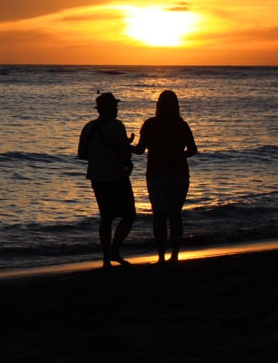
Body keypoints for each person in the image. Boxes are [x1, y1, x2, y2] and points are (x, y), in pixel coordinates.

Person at [132, 90, 198, 265]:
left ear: (158, 105)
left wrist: (124, 145)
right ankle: (175, 255)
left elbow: (139, 150)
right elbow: (193, 149)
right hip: (179, 174)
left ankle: (161, 256)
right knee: (175, 215)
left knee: (159, 216)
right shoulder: (181, 125)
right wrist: (178, 156)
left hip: (156, 174)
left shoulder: (150, 124)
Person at [78, 92, 136, 268]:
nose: (117, 109)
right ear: (110, 108)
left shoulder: (88, 127)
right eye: (115, 106)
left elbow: (82, 154)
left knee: (106, 218)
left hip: (97, 178)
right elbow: (124, 152)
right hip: (117, 177)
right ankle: (114, 250)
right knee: (129, 215)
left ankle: (105, 259)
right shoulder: (117, 126)